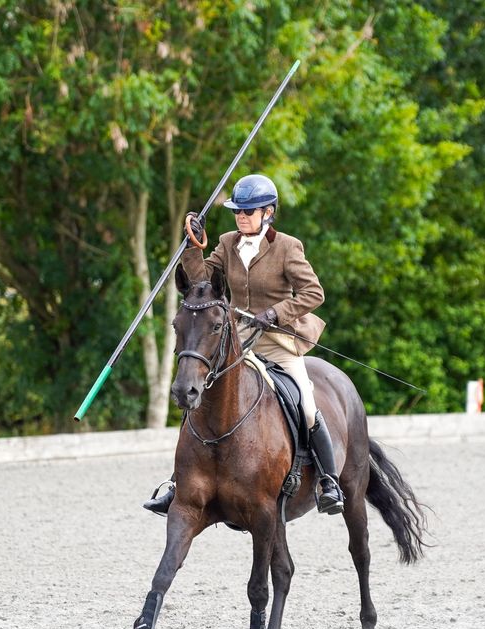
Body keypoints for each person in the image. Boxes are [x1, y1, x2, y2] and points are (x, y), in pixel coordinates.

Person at [144, 173, 345, 516]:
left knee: (308, 405)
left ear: (268, 212)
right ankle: (181, 482)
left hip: (279, 340)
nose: (241, 217)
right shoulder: (226, 242)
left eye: (248, 212)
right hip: (236, 338)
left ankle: (328, 482)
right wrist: (193, 244)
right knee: (202, 395)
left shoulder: (287, 247)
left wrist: (276, 313)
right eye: (238, 211)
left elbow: (314, 293)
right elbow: (202, 281)